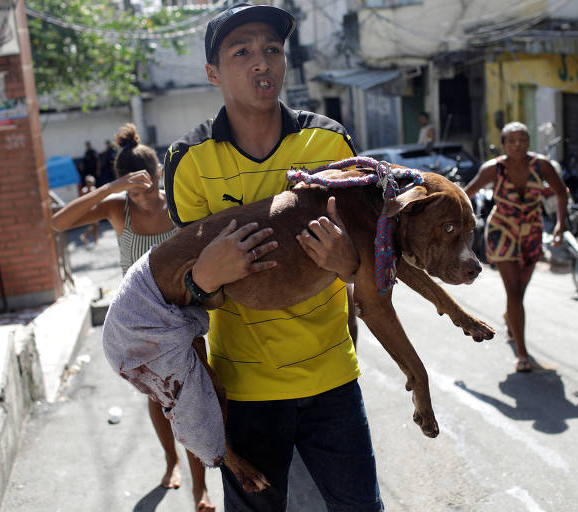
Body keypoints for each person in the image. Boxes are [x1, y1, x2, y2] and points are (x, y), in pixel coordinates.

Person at [163, 3, 382, 510]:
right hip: (244, 390)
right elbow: (185, 295)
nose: (262, 62)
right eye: (242, 52)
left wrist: (348, 263)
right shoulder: (189, 162)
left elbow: (368, 263)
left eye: (272, 49)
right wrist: (204, 277)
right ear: (212, 72)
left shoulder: (328, 141)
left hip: (333, 379)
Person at [50, 123, 217, 512]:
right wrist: (110, 189)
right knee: (159, 398)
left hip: (186, 315)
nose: (141, 198)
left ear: (159, 174)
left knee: (194, 399)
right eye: (133, 190)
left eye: (147, 187)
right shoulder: (117, 206)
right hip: (141, 322)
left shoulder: (177, 203)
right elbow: (58, 222)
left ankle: (200, 488)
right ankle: (170, 460)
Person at [464, 121, 569, 373]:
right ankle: (522, 353)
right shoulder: (493, 169)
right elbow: (466, 194)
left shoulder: (542, 165)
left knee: (520, 290)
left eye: (522, 139)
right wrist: (457, 230)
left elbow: (562, 193)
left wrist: (560, 226)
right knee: (514, 292)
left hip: (532, 232)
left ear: (529, 142)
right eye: (511, 141)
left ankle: (510, 317)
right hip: (502, 231)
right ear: (503, 145)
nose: (517, 144)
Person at [78, 175, 99, 244]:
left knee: (95, 225)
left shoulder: (94, 188)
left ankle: (95, 240)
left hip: (94, 208)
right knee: (95, 224)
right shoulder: (84, 190)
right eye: (89, 182)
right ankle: (85, 236)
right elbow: (82, 201)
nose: (91, 183)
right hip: (88, 210)